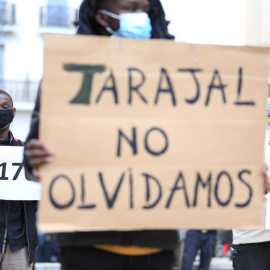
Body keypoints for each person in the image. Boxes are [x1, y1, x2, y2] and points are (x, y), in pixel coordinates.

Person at [24, 1, 178, 270]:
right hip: (87, 247)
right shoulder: (67, 72)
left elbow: (199, 141)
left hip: (157, 244)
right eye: (129, 8)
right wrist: (34, 158)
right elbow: (32, 162)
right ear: (101, 16)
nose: (139, 16)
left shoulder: (178, 75)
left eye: (145, 9)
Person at [0, 90, 37, 270]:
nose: (0, 111)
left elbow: (36, 195)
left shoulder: (25, 153)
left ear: (13, 112)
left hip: (17, 244)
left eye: (4, 107)